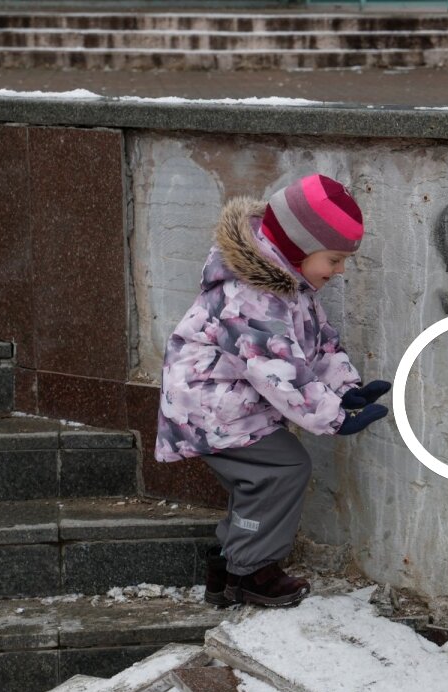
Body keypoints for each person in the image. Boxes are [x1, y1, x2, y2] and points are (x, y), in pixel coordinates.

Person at [154, 174, 390, 608]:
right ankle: (252, 573)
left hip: (226, 402)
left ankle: (226, 567)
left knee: (260, 480)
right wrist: (332, 417)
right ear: (300, 248)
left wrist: (344, 389)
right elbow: (278, 371)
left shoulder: (288, 284)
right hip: (209, 406)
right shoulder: (251, 296)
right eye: (334, 260)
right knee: (281, 470)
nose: (339, 272)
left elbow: (313, 343)